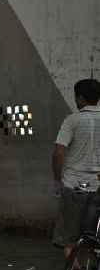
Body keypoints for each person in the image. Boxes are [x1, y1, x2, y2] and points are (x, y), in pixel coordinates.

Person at [52, 78, 100, 259]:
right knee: (94, 236)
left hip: (74, 186)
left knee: (69, 239)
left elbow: (58, 152)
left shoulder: (72, 120)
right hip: (99, 187)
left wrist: (57, 181)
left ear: (80, 98)